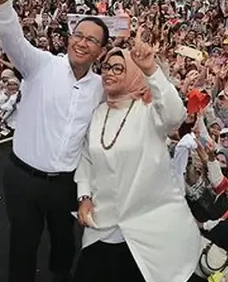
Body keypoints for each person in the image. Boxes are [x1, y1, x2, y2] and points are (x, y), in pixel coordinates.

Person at [0, 0, 109, 282]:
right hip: (22, 178)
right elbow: (10, 36)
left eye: (91, 40)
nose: (82, 42)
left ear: (101, 50)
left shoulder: (100, 88)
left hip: (64, 184)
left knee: (64, 242)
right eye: (78, 35)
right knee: (23, 245)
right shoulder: (40, 65)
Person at [74, 32, 200, 282]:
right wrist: (84, 196)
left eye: (118, 68)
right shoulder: (98, 112)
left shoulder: (149, 110)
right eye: (106, 67)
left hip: (149, 225)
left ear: (133, 74)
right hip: (104, 222)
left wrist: (151, 69)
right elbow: (87, 157)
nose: (108, 73)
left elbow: (176, 115)